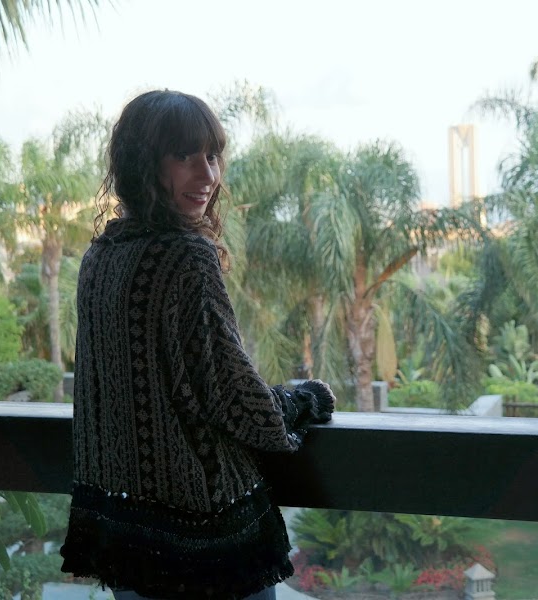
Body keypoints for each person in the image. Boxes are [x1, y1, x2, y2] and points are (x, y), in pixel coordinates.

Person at [59, 90, 336, 600]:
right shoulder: (187, 256)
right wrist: (303, 400)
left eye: (212, 156)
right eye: (184, 155)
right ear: (144, 162)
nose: (206, 174)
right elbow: (237, 398)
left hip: (127, 537)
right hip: (206, 541)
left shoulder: (101, 256)